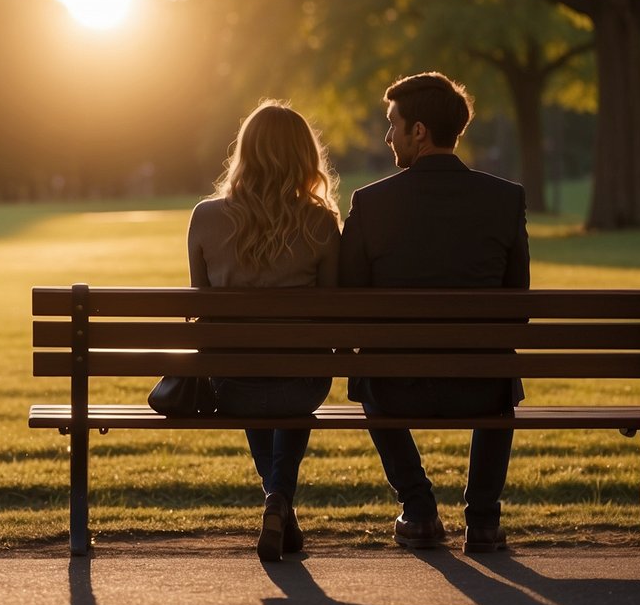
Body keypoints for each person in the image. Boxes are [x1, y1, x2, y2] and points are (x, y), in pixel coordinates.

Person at [339, 72, 529, 554]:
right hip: (482, 385)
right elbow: (517, 306)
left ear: (418, 131)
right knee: (500, 368)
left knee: (367, 374)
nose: (388, 136)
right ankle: (483, 520)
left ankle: (419, 509)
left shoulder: (370, 203)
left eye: (393, 124)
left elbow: (348, 305)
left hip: (396, 387)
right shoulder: (505, 200)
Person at [187, 100, 341, 562]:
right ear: (303, 156)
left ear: (246, 152)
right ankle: (279, 500)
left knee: (251, 374)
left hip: (232, 381)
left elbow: (201, 308)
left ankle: (276, 500)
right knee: (291, 381)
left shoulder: (206, 217)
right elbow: (333, 310)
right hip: (304, 381)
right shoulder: (320, 221)